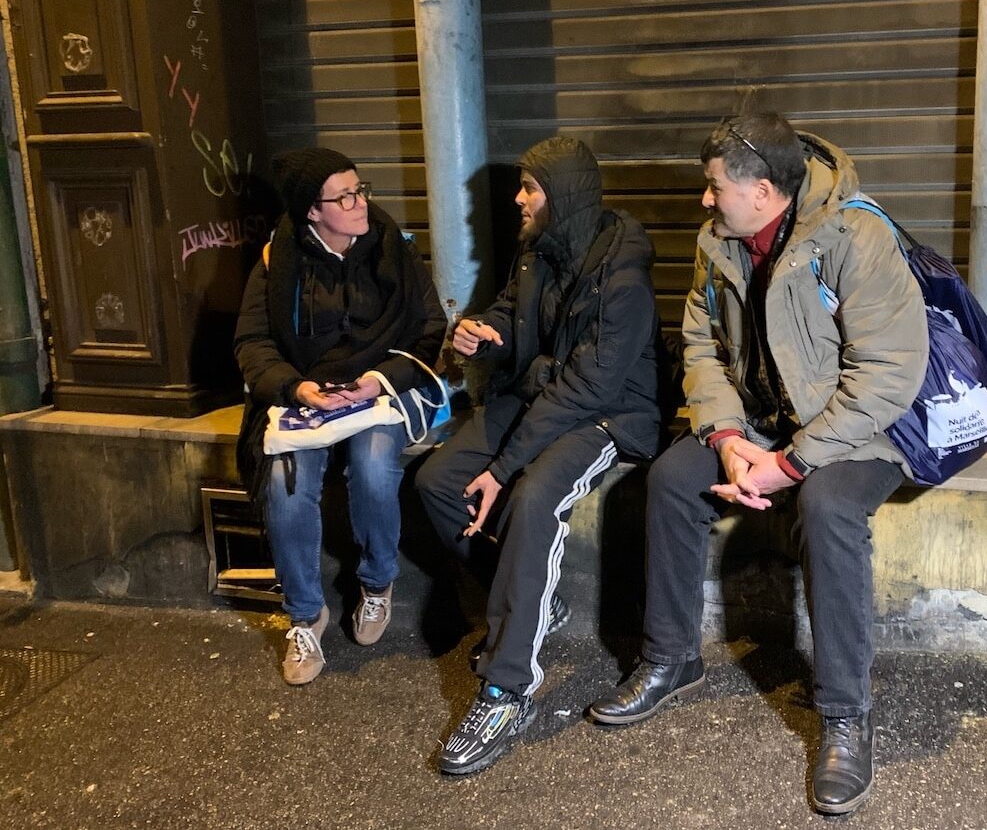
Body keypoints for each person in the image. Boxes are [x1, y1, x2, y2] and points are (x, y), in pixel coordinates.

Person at [588, 113, 927, 816]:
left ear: (765, 191)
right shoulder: (720, 242)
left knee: (829, 509)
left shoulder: (857, 236)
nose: (705, 201)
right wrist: (726, 437)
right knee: (670, 481)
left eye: (715, 188)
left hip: (856, 430)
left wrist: (793, 463)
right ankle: (670, 658)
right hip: (760, 421)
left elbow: (889, 375)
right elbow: (700, 345)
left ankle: (844, 712)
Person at [414, 136, 664, 776]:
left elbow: (590, 386)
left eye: (530, 188)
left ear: (565, 196)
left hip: (608, 413)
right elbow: (511, 314)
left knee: (533, 494)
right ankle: (535, 603)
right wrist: (480, 334)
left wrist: (502, 468)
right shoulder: (538, 250)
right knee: (439, 480)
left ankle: (506, 690)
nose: (517, 199)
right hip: (539, 392)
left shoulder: (623, 272)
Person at [234, 147, 446, 686]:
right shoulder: (275, 260)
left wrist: (378, 381)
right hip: (306, 396)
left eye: (361, 189)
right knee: (286, 487)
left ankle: (377, 584)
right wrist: (296, 386)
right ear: (312, 210)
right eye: (344, 196)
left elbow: (430, 330)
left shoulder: (392, 248)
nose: (359, 203)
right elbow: (254, 342)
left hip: (376, 388)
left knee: (375, 467)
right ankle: (306, 616)